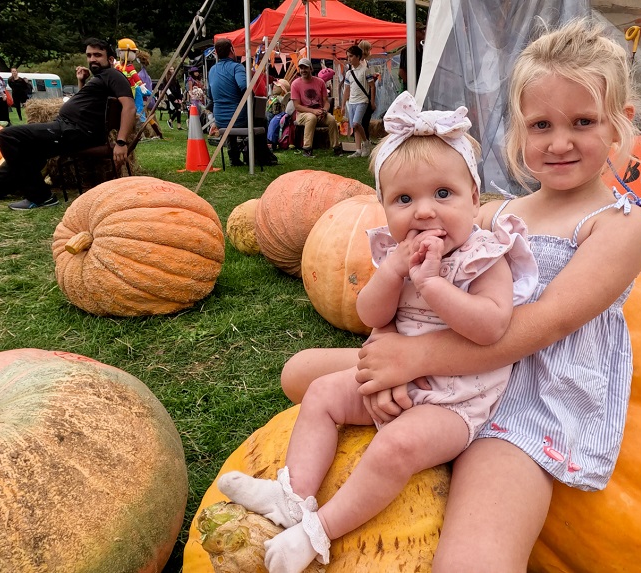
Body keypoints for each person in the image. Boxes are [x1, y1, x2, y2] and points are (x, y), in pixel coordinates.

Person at [278, 17, 641, 571]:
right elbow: (412, 292)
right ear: (519, 130)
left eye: (583, 121)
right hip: (453, 364)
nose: (560, 141)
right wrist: (387, 356)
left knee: (473, 561)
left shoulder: (619, 225)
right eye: (541, 124)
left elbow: (539, 328)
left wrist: (411, 359)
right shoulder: (491, 211)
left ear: (621, 123)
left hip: (532, 392)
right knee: (299, 371)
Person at [218, 92, 537, 573]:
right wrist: (391, 274)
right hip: (396, 372)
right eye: (404, 199)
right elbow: (371, 315)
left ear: (475, 199)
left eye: (443, 194)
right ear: (384, 207)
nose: (424, 212)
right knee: (323, 393)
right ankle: (295, 494)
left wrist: (432, 286)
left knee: (396, 447)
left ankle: (321, 530)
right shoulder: (396, 254)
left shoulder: (484, 256)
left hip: (456, 402)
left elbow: (492, 327)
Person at [0, 38, 134, 210]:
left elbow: (129, 107)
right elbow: (89, 104)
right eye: (89, 55)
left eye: (97, 55)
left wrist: (121, 142)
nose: (92, 59)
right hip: (69, 128)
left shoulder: (113, 75)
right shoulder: (101, 78)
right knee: (30, 154)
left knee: (7, 136)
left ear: (110, 59)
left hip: (74, 131)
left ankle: (40, 196)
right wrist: (81, 81)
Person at [207, 38, 276, 167]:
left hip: (220, 119)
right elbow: (245, 87)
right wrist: (254, 100)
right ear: (232, 50)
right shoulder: (236, 67)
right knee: (262, 119)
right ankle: (261, 157)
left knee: (233, 120)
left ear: (216, 52)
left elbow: (210, 95)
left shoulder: (212, 70)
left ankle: (233, 157)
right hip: (239, 118)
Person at [291, 57, 342, 157]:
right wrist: (313, 111)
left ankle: (336, 147)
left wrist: (325, 111)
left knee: (332, 120)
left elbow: (326, 102)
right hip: (302, 114)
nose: (303, 70)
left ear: (311, 69)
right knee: (311, 117)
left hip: (319, 113)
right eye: (301, 68)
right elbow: (297, 106)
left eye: (305, 68)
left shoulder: (320, 82)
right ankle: (307, 149)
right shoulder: (295, 84)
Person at [341, 45, 375, 158]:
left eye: (351, 56)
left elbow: (372, 86)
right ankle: (358, 150)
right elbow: (346, 89)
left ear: (358, 57)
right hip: (352, 101)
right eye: (348, 57)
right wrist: (342, 105)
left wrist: (372, 102)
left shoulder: (365, 70)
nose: (349, 59)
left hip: (362, 101)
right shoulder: (348, 73)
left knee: (356, 123)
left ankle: (365, 143)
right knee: (354, 126)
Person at [398, 22, 426, 92]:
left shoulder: (422, 49)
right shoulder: (407, 50)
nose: (424, 32)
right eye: (421, 30)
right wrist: (412, 86)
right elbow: (401, 72)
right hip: (411, 89)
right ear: (415, 32)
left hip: (421, 87)